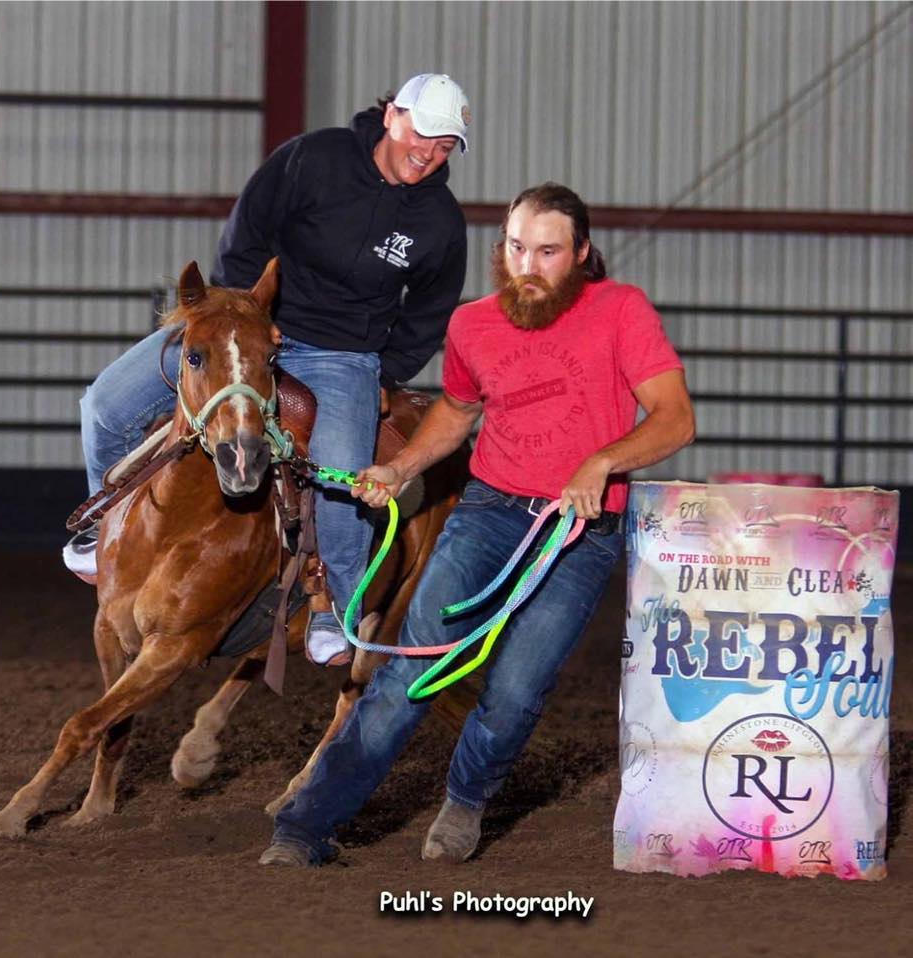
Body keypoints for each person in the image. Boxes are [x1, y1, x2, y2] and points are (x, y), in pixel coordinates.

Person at [259, 181, 695, 866]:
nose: (528, 264)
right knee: (412, 668)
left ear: (580, 253)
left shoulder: (620, 311)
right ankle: (306, 825)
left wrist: (601, 462)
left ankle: (465, 801)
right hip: (489, 511)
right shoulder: (473, 324)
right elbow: (457, 412)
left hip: (578, 534)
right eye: (517, 248)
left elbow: (674, 417)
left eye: (547, 251)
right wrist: (399, 470)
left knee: (517, 689)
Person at [63, 73, 471, 666]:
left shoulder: (439, 222)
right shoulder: (313, 159)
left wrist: (388, 373)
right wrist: (243, 310)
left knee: (343, 482)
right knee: (108, 405)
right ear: (393, 116)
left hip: (342, 354)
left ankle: (336, 608)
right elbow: (247, 232)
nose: (429, 154)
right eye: (424, 135)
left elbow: (430, 311)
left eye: (445, 146)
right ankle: (99, 525)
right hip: (250, 323)